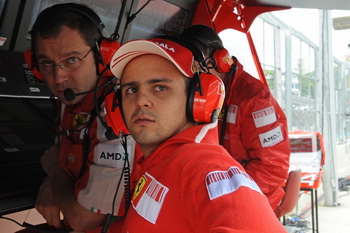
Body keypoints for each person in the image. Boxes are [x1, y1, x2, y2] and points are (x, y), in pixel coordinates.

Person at [106, 37, 287, 232]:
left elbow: (272, 167)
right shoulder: (161, 162)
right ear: (115, 107)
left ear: (197, 100)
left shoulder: (204, 167)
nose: (141, 100)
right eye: (131, 90)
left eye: (160, 88)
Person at [22, 3, 138, 232]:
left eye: (72, 60)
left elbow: (86, 220)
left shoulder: (117, 111)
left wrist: (54, 173)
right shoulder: (72, 97)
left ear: (102, 56)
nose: (59, 77)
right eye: (46, 63)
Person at [179, 24, 290, 211]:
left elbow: (273, 167)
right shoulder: (199, 91)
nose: (194, 71)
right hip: (214, 191)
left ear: (221, 60)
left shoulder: (255, 99)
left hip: (251, 199)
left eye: (198, 63)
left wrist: (227, 197)